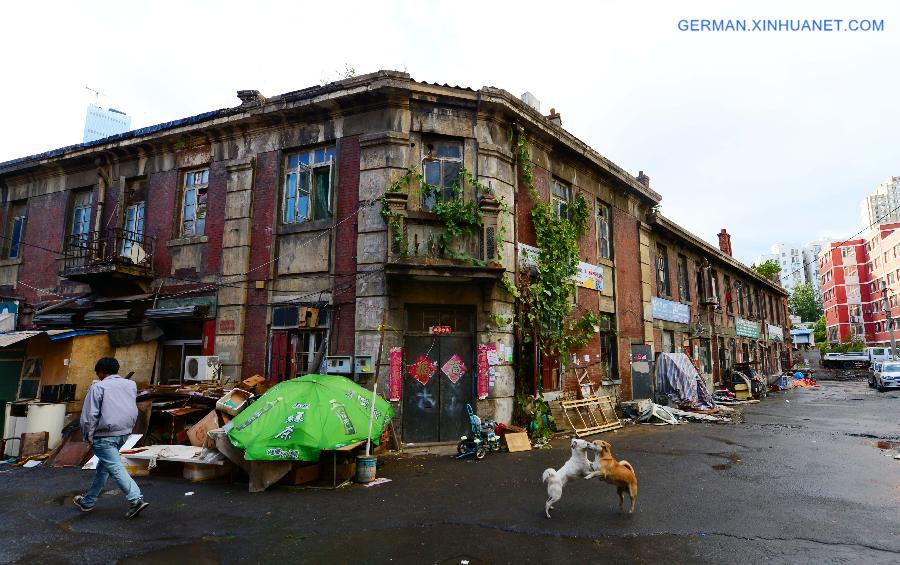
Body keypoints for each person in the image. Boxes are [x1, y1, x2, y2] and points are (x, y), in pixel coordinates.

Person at [74, 357, 149, 518]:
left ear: (100, 372)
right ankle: (87, 501)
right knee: (103, 469)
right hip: (124, 433)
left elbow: (89, 416)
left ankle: (136, 499)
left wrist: (88, 436)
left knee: (114, 467)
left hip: (104, 435)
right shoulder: (130, 385)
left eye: (98, 373)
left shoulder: (98, 387)